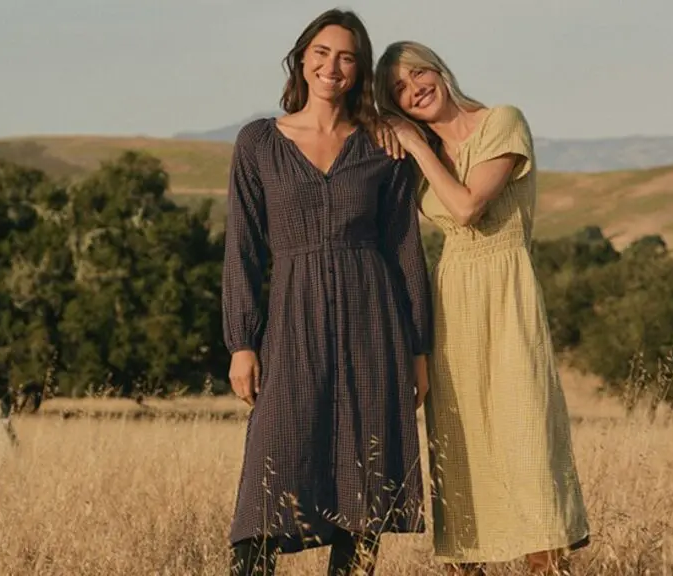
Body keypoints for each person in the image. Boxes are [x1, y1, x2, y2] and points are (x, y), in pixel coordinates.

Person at [221, 10, 432, 576]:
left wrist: (419, 350)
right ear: (302, 58)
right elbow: (242, 247)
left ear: (359, 69)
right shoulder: (259, 142)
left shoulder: (380, 147)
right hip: (292, 322)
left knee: (363, 493)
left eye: (346, 56)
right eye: (321, 52)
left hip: (374, 320)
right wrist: (242, 342)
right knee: (270, 482)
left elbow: (405, 247)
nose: (331, 66)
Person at [372, 41, 591, 575]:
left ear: (439, 70)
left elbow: (468, 206)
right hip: (451, 299)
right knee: (460, 450)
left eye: (418, 72)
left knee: (529, 447)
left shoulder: (502, 122)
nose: (415, 87)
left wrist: (415, 145)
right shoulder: (411, 152)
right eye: (398, 88)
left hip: (507, 290)